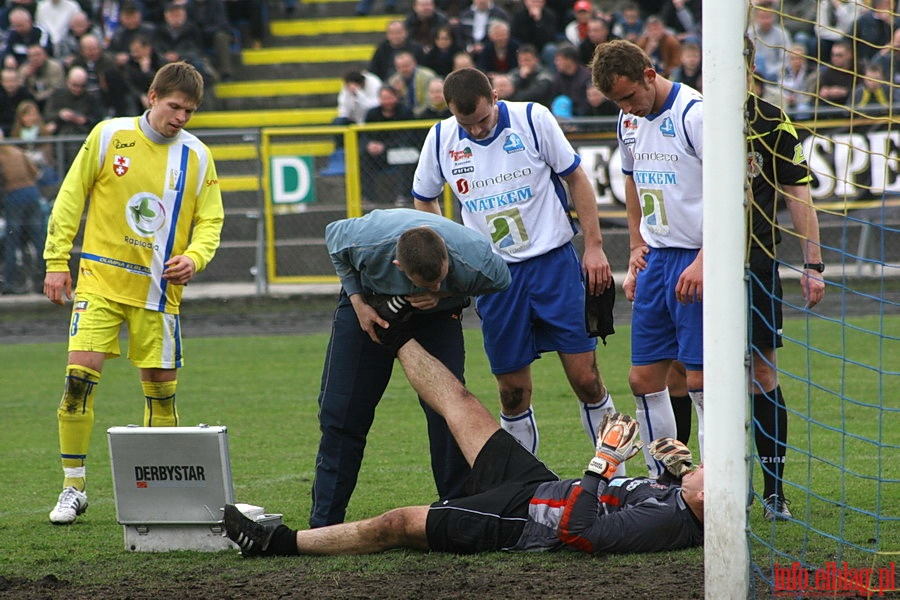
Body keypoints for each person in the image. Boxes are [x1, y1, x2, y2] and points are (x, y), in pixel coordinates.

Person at [225, 336, 704, 557]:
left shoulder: (666, 519)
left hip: (520, 523)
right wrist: (670, 469)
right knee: (463, 404)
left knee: (398, 523)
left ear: (703, 500)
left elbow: (582, 535)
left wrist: (604, 462)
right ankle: (392, 329)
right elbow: (633, 496)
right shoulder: (677, 500)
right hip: (536, 486)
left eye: (707, 475)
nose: (705, 469)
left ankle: (277, 545)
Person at [43, 61, 224, 525]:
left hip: (158, 293)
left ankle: (155, 492)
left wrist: (195, 257)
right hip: (100, 282)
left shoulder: (197, 156)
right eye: (174, 106)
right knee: (77, 382)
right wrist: (56, 260)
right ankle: (73, 488)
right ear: (152, 96)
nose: (181, 117)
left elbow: (211, 220)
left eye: (190, 111)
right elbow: (71, 195)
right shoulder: (108, 136)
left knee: (161, 394)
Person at [411, 67, 620, 459]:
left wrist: (594, 247)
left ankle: (614, 478)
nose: (474, 130)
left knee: (587, 380)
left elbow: (577, 179)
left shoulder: (532, 118)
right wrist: (448, 255)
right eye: (465, 123)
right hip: (495, 278)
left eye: (483, 120)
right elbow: (424, 198)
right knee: (511, 393)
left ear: (494, 96)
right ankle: (524, 490)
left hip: (553, 266)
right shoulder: (440, 137)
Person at [308, 208, 511, 528]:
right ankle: (324, 524)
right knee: (342, 412)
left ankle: (455, 516)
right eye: (424, 283)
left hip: (438, 317)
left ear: (447, 256)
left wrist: (445, 292)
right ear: (398, 267)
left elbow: (502, 279)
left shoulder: (473, 255)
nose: (432, 285)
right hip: (369, 302)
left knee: (448, 413)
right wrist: (358, 304)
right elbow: (334, 241)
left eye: (440, 276)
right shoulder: (366, 240)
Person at [591, 40, 704, 477]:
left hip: (695, 257)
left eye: (629, 96)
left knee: (699, 381)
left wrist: (705, 258)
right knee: (643, 378)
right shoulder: (628, 121)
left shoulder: (695, 115)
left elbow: (732, 192)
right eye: (617, 101)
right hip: (656, 258)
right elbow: (632, 182)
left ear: (650, 75)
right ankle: (666, 479)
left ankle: (715, 483)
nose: (626, 107)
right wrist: (637, 244)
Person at [0, 142, 45, 295]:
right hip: (32, 193)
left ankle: (9, 283)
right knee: (38, 239)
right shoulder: (17, 151)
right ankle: (44, 281)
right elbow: (36, 173)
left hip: (14, 194)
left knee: (12, 240)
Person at [17, 42, 64, 111]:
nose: (35, 58)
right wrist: (25, 78)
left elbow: (56, 89)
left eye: (38, 55)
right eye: (32, 56)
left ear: (45, 55)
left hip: (50, 100)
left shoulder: (55, 67)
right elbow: (18, 89)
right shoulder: (24, 69)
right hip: (31, 101)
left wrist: (37, 97)